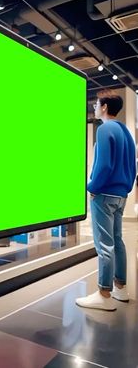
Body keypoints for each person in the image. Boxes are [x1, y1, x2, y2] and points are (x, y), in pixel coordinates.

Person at [76, 89, 137, 311]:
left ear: (104, 107)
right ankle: (121, 288)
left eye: (96, 104)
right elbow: (133, 166)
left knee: (104, 245)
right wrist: (126, 188)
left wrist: (91, 187)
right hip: (121, 195)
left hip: (104, 195)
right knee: (118, 242)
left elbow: (104, 166)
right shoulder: (125, 131)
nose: (94, 107)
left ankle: (103, 294)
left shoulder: (104, 129)